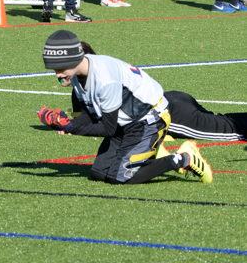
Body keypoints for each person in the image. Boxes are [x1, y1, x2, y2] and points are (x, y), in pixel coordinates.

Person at [38, 30, 213, 185]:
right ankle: (148, 152)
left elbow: (108, 128)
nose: (57, 74)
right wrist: (64, 123)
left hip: (148, 120)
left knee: (120, 177)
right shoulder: (79, 73)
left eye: (59, 68)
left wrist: (72, 127)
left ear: (74, 59)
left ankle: (183, 159)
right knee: (99, 173)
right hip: (125, 122)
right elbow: (90, 115)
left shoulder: (104, 79)